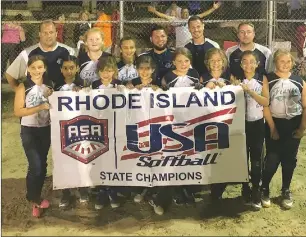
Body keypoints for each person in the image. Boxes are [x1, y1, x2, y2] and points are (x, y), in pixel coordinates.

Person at [261, 49, 306, 210]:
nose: (285, 64)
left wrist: (301, 128)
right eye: (281, 61)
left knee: (289, 160)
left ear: (292, 63)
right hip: (275, 123)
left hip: (293, 124)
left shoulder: (299, 81)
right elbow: (265, 105)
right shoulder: (269, 79)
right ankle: (264, 188)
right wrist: (272, 128)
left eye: (288, 62)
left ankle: (285, 190)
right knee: (272, 160)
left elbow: (305, 106)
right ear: (275, 63)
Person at [14, 55, 53, 217]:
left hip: (45, 128)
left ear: (44, 68)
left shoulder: (49, 85)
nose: (37, 71)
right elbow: (18, 111)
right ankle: (33, 198)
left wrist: (52, 96)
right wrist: (39, 107)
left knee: (42, 165)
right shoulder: (23, 86)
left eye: (40, 67)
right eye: (33, 67)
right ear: (28, 69)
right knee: (35, 166)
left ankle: (35, 197)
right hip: (29, 130)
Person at [161, 47, 200, 205]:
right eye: (179, 61)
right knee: (176, 156)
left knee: (191, 155)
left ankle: (189, 190)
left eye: (186, 61)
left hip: (192, 121)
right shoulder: (168, 77)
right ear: (173, 62)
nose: (183, 64)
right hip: (174, 122)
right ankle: (178, 190)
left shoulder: (194, 74)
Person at [5, 20, 75, 91]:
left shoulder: (69, 51)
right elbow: (10, 75)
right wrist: (20, 92)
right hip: (37, 100)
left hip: (61, 98)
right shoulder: (27, 53)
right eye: (45, 33)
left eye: (51, 32)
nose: (48, 36)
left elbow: (77, 76)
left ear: (56, 34)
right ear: (39, 34)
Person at [91, 55, 122, 209]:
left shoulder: (119, 85)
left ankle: (113, 190)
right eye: (103, 71)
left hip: (115, 128)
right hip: (98, 129)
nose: (106, 74)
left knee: (113, 159)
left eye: (109, 71)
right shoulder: (93, 85)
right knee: (99, 158)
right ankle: (101, 191)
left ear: (114, 71)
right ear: (99, 72)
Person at [148, 2, 220, 48]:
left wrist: (213, 8)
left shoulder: (191, 19)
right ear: (181, 13)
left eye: (187, 12)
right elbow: (164, 16)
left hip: (190, 45)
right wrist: (155, 11)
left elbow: (203, 14)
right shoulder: (176, 20)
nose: (185, 14)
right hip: (180, 46)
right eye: (184, 12)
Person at [1, 14, 26, 79]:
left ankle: (1, 75)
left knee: (3, 61)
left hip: (4, 44)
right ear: (20, 21)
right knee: (13, 62)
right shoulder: (19, 28)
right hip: (14, 45)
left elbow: (2, 28)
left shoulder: (6, 24)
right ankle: (12, 77)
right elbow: (23, 39)